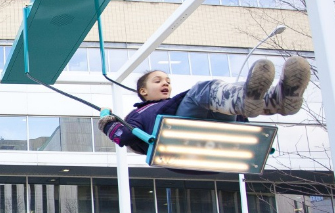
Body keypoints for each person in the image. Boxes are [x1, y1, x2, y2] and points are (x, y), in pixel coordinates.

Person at [99, 57, 311, 155]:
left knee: (222, 97)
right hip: (178, 140)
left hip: (213, 138)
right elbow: (124, 137)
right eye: (157, 81)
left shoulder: (175, 102)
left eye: (168, 80)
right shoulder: (138, 113)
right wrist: (107, 123)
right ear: (143, 91)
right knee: (203, 90)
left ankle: (280, 101)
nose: (165, 83)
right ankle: (263, 99)